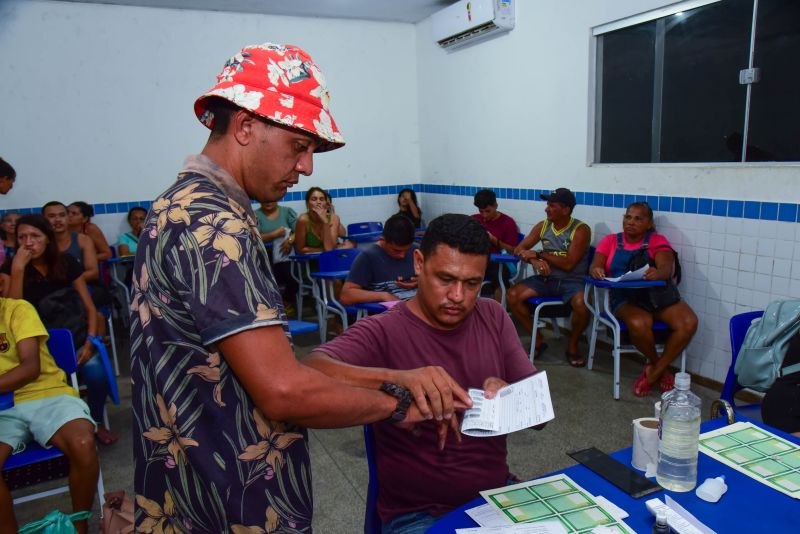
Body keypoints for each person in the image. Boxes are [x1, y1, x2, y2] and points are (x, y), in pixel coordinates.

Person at [130, 42, 470, 532]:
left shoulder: (177, 205)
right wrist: (398, 405)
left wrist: (393, 377)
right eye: (299, 146)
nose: (308, 166)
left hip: (190, 489)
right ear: (246, 126)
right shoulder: (215, 227)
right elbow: (284, 391)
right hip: (230, 503)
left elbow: (263, 370)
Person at [304, 214, 539, 533]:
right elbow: (310, 370)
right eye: (445, 279)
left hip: (496, 496)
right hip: (418, 514)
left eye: (472, 284)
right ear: (418, 262)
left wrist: (510, 394)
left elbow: (541, 414)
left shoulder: (493, 316)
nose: (458, 296)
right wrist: (399, 380)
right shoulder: (383, 330)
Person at [0, 215, 116, 445]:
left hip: (77, 337)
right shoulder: (11, 268)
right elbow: (12, 313)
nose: (28, 242)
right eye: (22, 237)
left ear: (47, 239)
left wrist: (91, 340)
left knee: (97, 375)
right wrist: (18, 270)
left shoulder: (66, 263)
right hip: (34, 346)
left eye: (35, 236)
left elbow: (89, 307)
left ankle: (95, 419)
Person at [0, 297, 99, 534]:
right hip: (3, 410)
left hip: (46, 394)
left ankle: (78, 525)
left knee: (83, 443)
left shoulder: (17, 309)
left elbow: (30, 367)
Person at [589, 201, 697, 396]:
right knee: (640, 322)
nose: (631, 222)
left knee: (688, 322)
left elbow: (666, 267)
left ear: (649, 224)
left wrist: (658, 273)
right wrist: (596, 270)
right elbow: (596, 265)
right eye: (628, 217)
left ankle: (653, 372)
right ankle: (660, 368)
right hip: (624, 297)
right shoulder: (611, 241)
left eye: (638, 219)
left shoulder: (657, 240)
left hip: (656, 296)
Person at [507, 188, 591, 365]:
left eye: (552, 206)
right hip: (547, 279)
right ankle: (538, 339)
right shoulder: (543, 226)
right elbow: (519, 250)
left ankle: (573, 345)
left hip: (572, 281)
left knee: (582, 305)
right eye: (547, 205)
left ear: (566, 210)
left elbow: (569, 264)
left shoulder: (581, 229)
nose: (546, 209)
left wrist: (539, 254)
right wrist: (534, 261)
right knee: (512, 296)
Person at [339, 214, 418, 305]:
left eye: (406, 250)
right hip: (387, 314)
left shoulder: (416, 250)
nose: (402, 256)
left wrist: (420, 282)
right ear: (382, 239)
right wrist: (383, 296)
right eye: (396, 250)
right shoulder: (368, 257)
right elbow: (346, 296)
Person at [471, 189, 520, 298]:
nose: (484, 215)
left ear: (496, 205)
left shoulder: (508, 223)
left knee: (499, 275)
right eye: (481, 211)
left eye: (488, 211)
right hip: (479, 260)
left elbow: (513, 250)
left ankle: (498, 312)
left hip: (500, 263)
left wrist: (494, 240)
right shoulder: (475, 219)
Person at [255, 200, 299, 315]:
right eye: (264, 198)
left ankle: (286, 301)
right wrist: (274, 235)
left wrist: (290, 241)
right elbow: (254, 237)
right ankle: (274, 307)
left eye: (270, 198)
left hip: (285, 253)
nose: (268, 202)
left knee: (292, 278)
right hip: (265, 255)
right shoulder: (255, 215)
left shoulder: (287, 212)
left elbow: (299, 230)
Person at [294, 186, 352, 253]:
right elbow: (300, 249)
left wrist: (325, 221)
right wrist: (323, 251)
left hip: (331, 258)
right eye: (314, 199)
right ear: (307, 204)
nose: (318, 202)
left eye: (321, 199)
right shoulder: (303, 220)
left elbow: (330, 248)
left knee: (351, 244)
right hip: (311, 259)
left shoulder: (334, 218)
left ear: (326, 204)